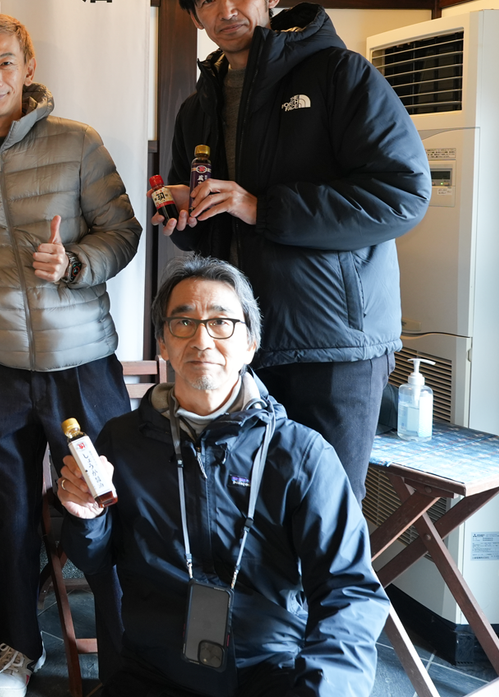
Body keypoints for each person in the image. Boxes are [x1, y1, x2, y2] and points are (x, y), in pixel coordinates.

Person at [152, 0, 430, 501]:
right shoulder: (197, 107)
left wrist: (261, 206)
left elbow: (403, 194)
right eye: (207, 0)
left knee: (326, 509)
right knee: (246, 508)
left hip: (331, 344)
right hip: (238, 343)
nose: (226, 9)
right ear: (196, 17)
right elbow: (215, 224)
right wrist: (187, 213)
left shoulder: (339, 74)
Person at [0, 13, 142, 697]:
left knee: (104, 502)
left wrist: (72, 263)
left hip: (83, 363)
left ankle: (128, 656)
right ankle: (18, 648)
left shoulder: (77, 142)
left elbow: (123, 232)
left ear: (28, 66)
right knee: (8, 516)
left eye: (6, 63)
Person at [55, 254, 389, 697]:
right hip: (153, 669)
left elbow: (349, 591)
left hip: (268, 669)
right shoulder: (123, 440)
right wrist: (87, 519)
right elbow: (95, 560)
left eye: (221, 322)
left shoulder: (302, 454)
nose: (202, 340)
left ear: (251, 343)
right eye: (183, 323)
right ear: (162, 343)